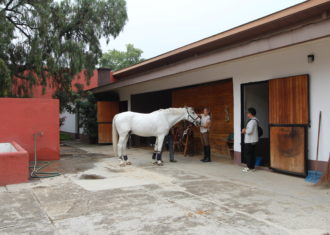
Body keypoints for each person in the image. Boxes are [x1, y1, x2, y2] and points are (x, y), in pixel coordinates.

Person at [241, 107, 259, 172]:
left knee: (248, 154)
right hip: (253, 140)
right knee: (252, 154)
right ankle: (252, 167)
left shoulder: (252, 121)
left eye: (248, 113)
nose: (247, 114)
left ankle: (248, 167)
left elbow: (249, 131)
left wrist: (244, 130)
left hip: (250, 141)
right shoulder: (256, 120)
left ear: (250, 114)